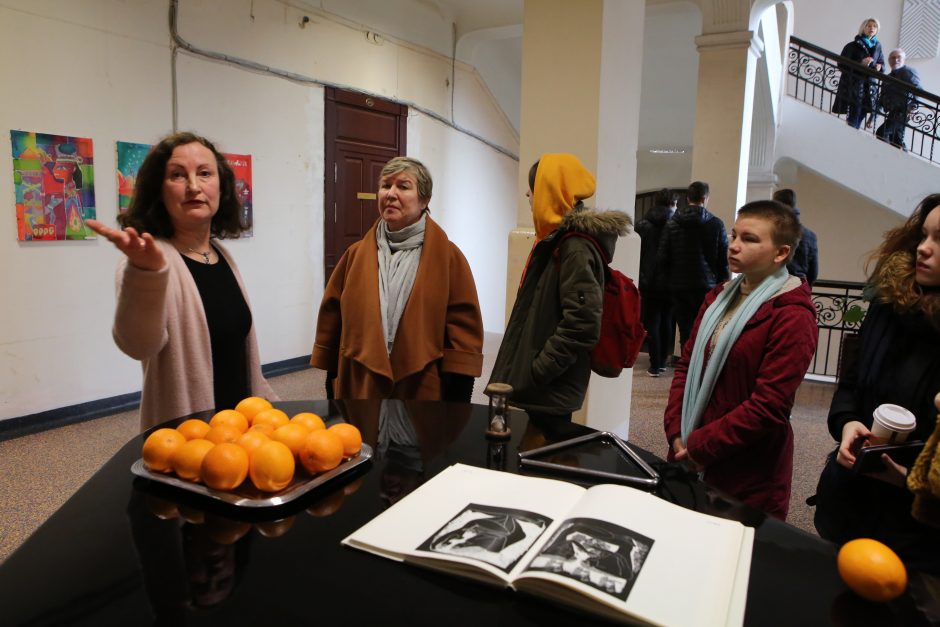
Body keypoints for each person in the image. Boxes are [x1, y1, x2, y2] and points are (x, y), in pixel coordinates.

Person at [87, 132, 276, 432]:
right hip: (187, 439)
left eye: (204, 173)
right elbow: (138, 345)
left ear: (221, 187)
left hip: (241, 432)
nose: (193, 186)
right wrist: (145, 274)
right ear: (158, 191)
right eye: (177, 175)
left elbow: (238, 352)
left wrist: (267, 406)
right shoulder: (149, 260)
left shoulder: (220, 254)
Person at [663, 200, 818, 520]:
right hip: (689, 446)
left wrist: (700, 446)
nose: (733, 246)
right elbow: (686, 365)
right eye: (733, 236)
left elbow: (768, 406)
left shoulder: (792, 315)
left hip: (747, 468)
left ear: (781, 253)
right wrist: (676, 431)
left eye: (749, 239)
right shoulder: (718, 296)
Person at [813, 193, 940, 575]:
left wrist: (913, 484)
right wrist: (847, 422)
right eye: (924, 235)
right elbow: (851, 383)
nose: (924, 249)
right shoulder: (889, 303)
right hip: (852, 498)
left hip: (922, 533)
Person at [311, 156, 484, 402]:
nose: (390, 194)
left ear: (425, 200)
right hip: (360, 387)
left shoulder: (449, 258)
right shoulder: (354, 255)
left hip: (421, 389)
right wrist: (332, 384)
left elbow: (463, 334)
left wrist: (457, 397)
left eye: (403, 186)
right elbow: (333, 322)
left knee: (416, 440)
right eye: (385, 185)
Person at [490, 154, 630, 422]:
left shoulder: (574, 248)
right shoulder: (557, 241)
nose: (528, 195)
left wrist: (539, 370)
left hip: (551, 387)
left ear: (549, 193)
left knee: (545, 455)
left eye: (534, 189)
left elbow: (583, 324)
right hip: (546, 386)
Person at [657, 181, 730, 348]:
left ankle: (686, 366)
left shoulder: (672, 224)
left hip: (679, 286)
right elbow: (722, 261)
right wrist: (722, 285)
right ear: (705, 199)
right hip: (707, 285)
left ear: (688, 198)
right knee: (705, 329)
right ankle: (700, 369)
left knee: (685, 330)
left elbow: (662, 257)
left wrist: (667, 283)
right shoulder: (716, 224)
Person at [635, 189, 677, 376]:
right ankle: (664, 359)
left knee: (652, 320)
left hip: (648, 280)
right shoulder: (676, 224)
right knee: (667, 319)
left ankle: (654, 364)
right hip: (670, 281)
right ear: (672, 204)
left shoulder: (643, 225)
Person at [833, 18, 885, 129]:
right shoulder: (852, 46)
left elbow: (882, 64)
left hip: (870, 87)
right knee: (854, 112)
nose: (872, 28)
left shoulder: (878, 47)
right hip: (855, 86)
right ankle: (851, 132)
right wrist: (860, 63)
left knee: (862, 113)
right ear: (863, 28)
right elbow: (842, 64)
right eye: (869, 26)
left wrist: (879, 67)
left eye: (874, 26)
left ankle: (853, 130)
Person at [877, 48, 922, 150]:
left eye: (899, 57)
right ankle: (901, 158)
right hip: (893, 111)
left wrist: (913, 107)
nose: (895, 60)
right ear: (889, 61)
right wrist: (872, 118)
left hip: (904, 111)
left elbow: (918, 90)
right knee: (896, 140)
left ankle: (886, 155)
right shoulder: (888, 77)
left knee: (881, 133)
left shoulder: (908, 71)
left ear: (904, 60)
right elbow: (882, 96)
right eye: (893, 58)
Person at [773, 188, 819, 287]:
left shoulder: (771, 231)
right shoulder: (810, 235)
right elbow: (813, 272)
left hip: (773, 286)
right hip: (798, 286)